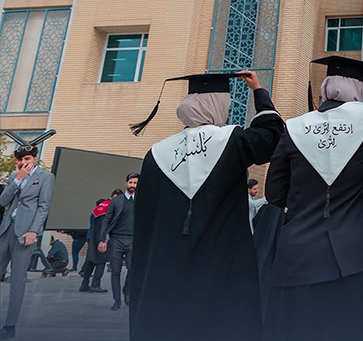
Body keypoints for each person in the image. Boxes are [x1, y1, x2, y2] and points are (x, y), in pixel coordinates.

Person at [129, 70, 284, 341]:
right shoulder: (232, 141)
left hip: (166, 265)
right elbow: (272, 134)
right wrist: (258, 90)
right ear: (216, 106)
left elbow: (145, 217)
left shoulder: (156, 153)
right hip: (221, 264)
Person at [264, 56, 363, 339]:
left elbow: (274, 193)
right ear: (356, 89)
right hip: (357, 255)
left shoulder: (294, 127)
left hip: (299, 255)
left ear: (325, 87)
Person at [0, 137, 56, 339]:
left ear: (34, 158)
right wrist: (18, 179)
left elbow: (43, 207)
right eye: (20, 159)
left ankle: (9, 325)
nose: (23, 162)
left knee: (17, 280)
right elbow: (3, 201)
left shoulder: (46, 177)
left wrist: (34, 231)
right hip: (6, 229)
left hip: (25, 233)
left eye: (27, 158)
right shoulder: (14, 176)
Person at [99, 172, 138, 311]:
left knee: (133, 269)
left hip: (133, 240)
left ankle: (127, 291)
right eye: (131, 182)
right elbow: (107, 220)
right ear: (126, 183)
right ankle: (117, 300)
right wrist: (102, 239)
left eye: (135, 183)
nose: (133, 185)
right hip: (116, 239)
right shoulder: (116, 201)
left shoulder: (141, 200)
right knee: (115, 270)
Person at [80, 192, 119, 293]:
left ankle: (84, 284)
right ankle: (95, 284)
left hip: (92, 236)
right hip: (102, 237)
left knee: (91, 259)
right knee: (101, 260)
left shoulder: (98, 209)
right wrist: (105, 239)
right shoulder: (110, 208)